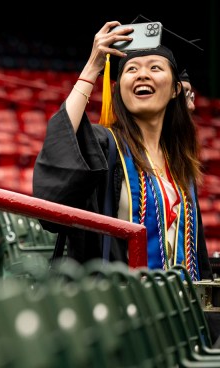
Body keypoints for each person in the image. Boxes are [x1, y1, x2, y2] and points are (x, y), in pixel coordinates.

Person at [32, 20, 213, 283]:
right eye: (131, 69)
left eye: (155, 67)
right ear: (118, 90)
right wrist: (93, 66)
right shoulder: (105, 145)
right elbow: (60, 154)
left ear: (176, 89)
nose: (142, 74)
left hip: (177, 312)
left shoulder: (181, 166)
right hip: (120, 303)